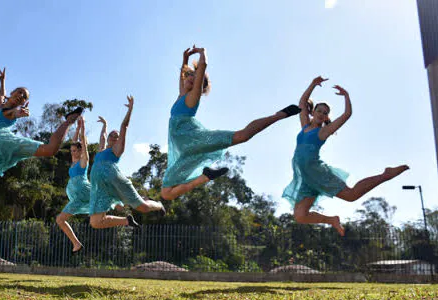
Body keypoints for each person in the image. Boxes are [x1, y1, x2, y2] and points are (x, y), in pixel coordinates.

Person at [161, 46, 301, 200]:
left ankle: (279, 115)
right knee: (166, 193)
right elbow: (182, 74)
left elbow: (203, 66)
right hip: (186, 151)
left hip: (195, 139)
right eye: (189, 75)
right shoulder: (182, 95)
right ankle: (205, 177)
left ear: (199, 87)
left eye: (195, 77)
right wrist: (185, 59)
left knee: (243, 136)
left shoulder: (192, 99)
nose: (189, 77)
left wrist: (202, 52)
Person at [0, 68, 82, 238]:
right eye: (20, 92)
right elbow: (1, 96)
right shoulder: (1, 106)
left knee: (50, 150)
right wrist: (2, 82)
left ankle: (69, 120)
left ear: (22, 103)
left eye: (24, 97)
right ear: (12, 93)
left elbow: (13, 113)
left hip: (7, 144)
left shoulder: (10, 112)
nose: (21, 97)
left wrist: (19, 113)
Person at [282, 76, 409, 236]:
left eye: (325, 113)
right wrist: (313, 84)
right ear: (313, 112)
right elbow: (302, 103)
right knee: (300, 216)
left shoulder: (323, 132)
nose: (322, 114)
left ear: (327, 117)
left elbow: (347, 114)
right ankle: (332, 220)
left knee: (351, 195)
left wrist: (346, 96)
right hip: (307, 179)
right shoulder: (305, 126)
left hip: (318, 174)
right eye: (319, 111)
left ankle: (385, 174)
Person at [88, 96, 165, 229]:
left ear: (118, 140)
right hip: (100, 188)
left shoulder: (116, 150)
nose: (113, 137)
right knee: (95, 222)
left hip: (114, 180)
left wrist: (130, 109)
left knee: (144, 207)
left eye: (116, 136)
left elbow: (124, 126)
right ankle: (126, 221)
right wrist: (105, 125)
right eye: (111, 135)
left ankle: (158, 204)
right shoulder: (101, 151)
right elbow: (102, 136)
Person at [56, 117, 91, 253]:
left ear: (81, 151)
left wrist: (82, 129)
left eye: (75, 151)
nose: (73, 153)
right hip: (76, 196)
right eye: (71, 151)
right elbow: (74, 142)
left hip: (83, 191)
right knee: (60, 220)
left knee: (60, 219)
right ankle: (76, 244)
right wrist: (76, 129)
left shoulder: (83, 161)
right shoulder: (74, 161)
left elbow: (83, 143)